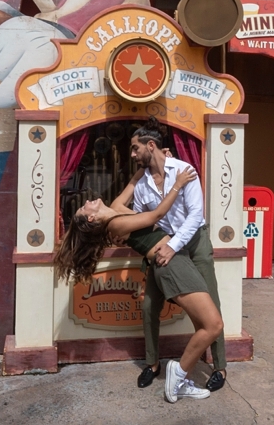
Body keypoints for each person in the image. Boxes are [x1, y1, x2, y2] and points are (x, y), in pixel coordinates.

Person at [56, 166, 223, 403]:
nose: (87, 202)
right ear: (92, 218)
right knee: (213, 325)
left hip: (175, 259)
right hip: (170, 264)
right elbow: (155, 216)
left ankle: (181, 376)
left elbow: (130, 188)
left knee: (205, 323)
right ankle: (179, 373)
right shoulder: (115, 225)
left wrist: (145, 168)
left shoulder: (115, 212)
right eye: (85, 208)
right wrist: (179, 183)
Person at [113, 120, 227, 394]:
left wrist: (173, 246)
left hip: (194, 243)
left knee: (211, 301)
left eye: (134, 148)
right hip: (164, 246)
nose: (132, 154)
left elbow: (195, 216)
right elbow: (144, 219)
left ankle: (220, 366)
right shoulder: (141, 184)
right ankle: (152, 364)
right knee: (150, 306)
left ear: (150, 146)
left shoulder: (185, 171)